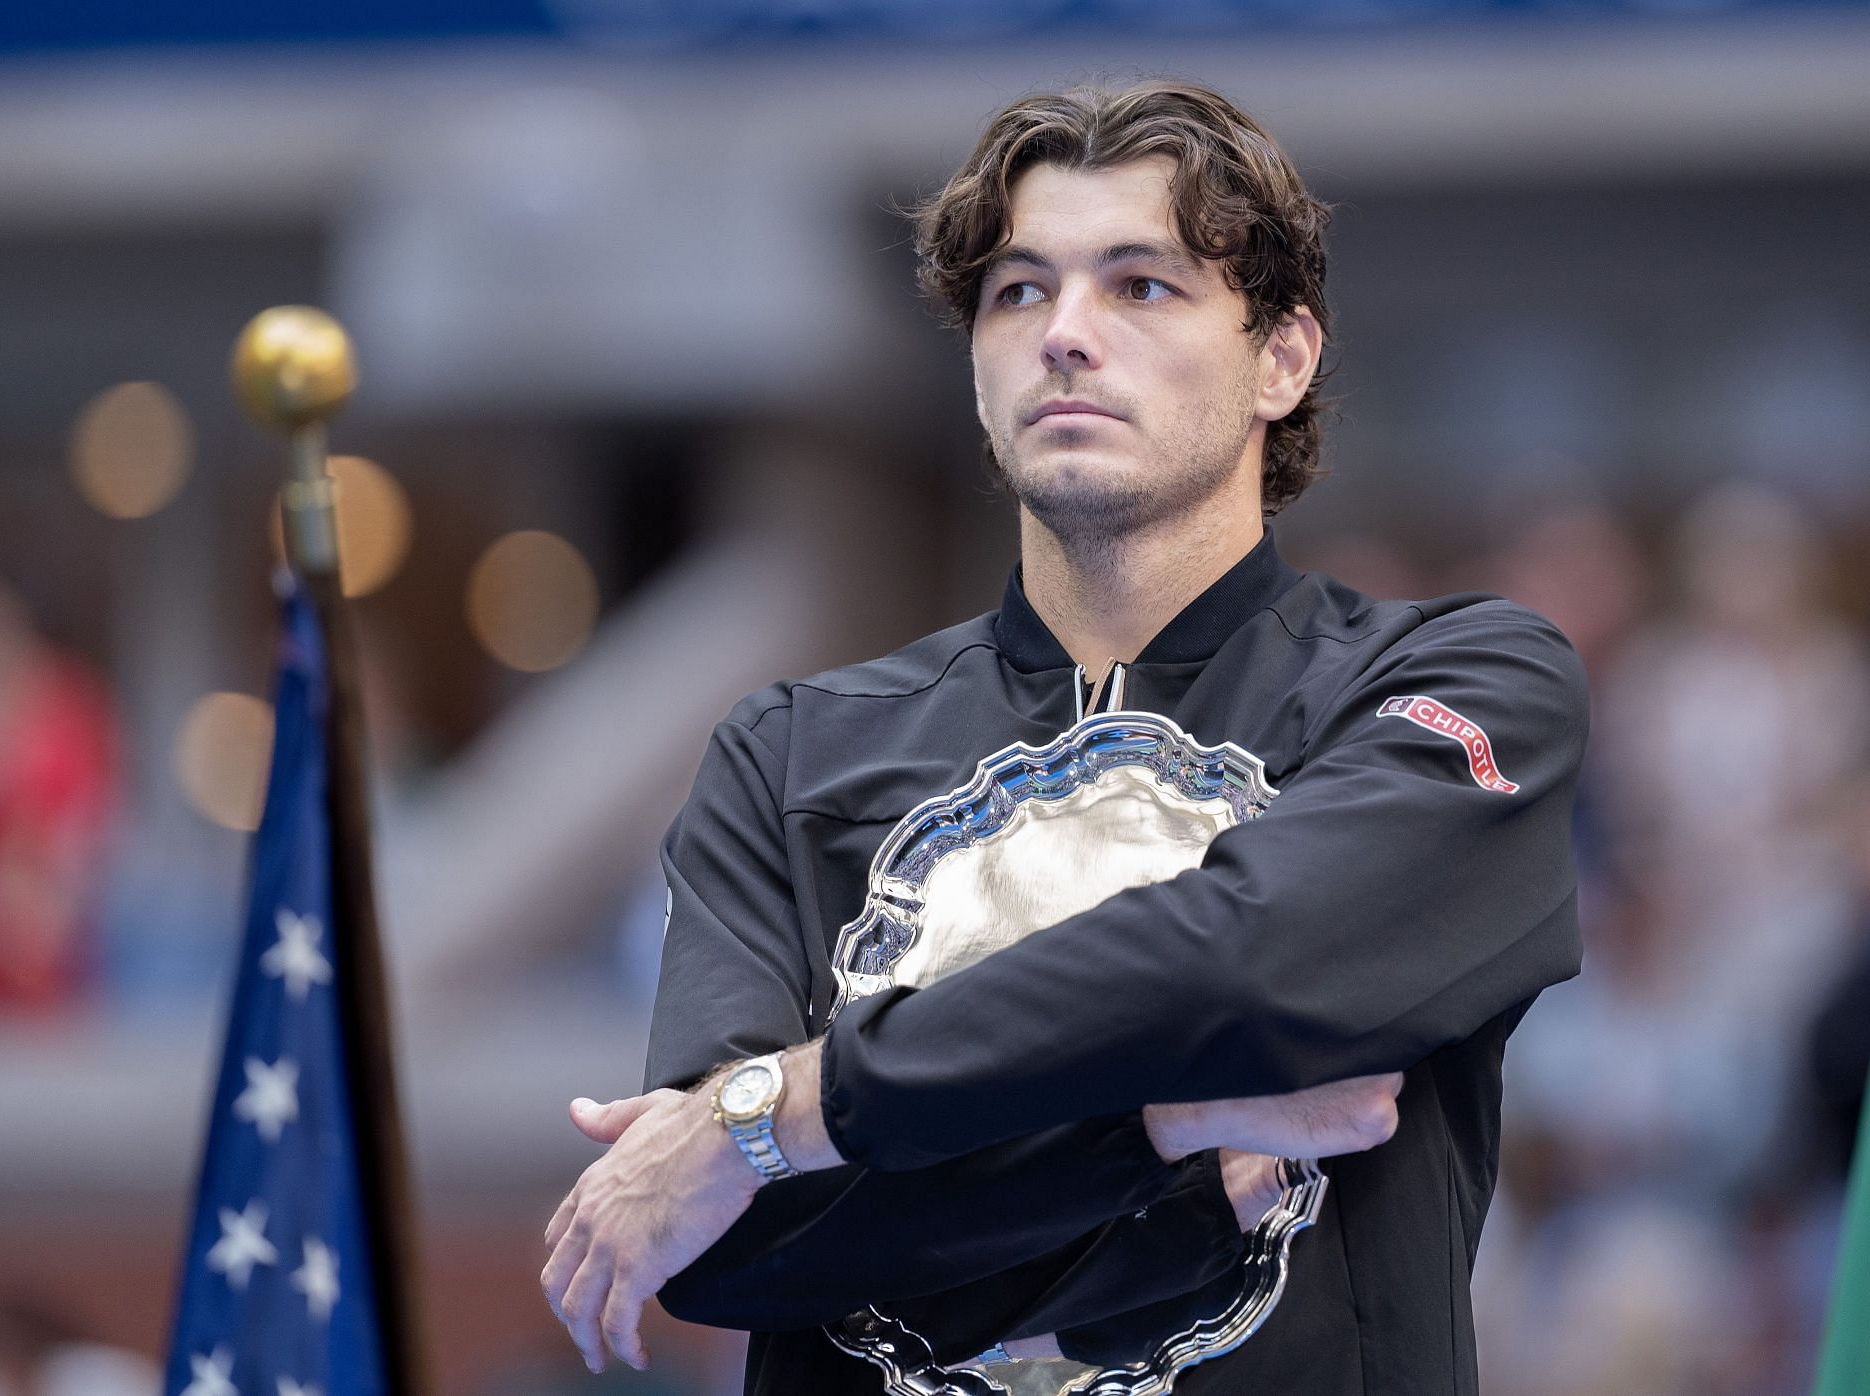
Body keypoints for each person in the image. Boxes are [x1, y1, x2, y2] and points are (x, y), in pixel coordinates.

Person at [542, 80, 1588, 1394]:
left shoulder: (1449, 683)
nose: (1065, 336)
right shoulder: (790, 753)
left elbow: (1254, 956)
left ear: (1283, 357)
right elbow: (717, 1243)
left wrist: (782, 1112)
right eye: (1020, 293)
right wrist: (1163, 1130)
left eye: (1141, 286)